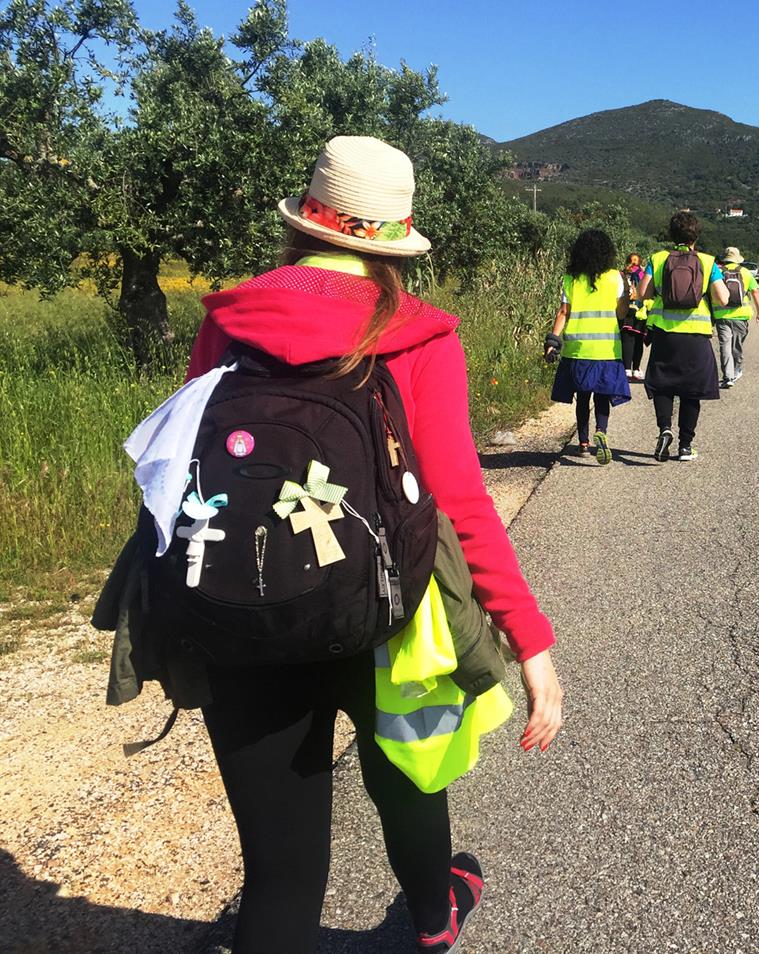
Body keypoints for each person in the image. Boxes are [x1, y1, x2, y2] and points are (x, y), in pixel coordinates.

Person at [157, 137, 563, 953]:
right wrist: (529, 636)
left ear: (306, 223)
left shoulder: (230, 318)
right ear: (392, 239)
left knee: (278, 874)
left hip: (245, 606)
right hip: (390, 613)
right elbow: (458, 501)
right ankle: (431, 917)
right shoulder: (414, 333)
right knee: (408, 777)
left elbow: (183, 473)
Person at [637, 210, 730, 462]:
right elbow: (723, 298)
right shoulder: (708, 262)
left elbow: (642, 293)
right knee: (692, 391)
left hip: (665, 336)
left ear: (671, 234)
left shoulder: (657, 259)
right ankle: (686, 446)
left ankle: (664, 428)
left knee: (662, 385)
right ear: (696, 236)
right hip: (696, 336)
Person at [544, 229, 631, 464]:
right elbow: (621, 313)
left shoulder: (571, 279)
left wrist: (552, 340)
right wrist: (626, 296)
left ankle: (583, 443)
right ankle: (601, 430)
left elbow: (564, 312)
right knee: (602, 396)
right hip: (607, 349)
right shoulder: (615, 277)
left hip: (578, 349)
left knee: (583, 397)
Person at [713, 247, 759, 388]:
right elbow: (755, 292)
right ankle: (736, 370)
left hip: (721, 315)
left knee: (725, 345)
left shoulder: (718, 272)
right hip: (741, 316)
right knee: (737, 346)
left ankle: (728, 376)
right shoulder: (745, 273)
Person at [620, 252, 648, 381]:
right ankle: (636, 369)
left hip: (626, 309)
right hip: (641, 311)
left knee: (627, 340)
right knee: (638, 341)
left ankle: (626, 369)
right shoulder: (643, 274)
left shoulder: (622, 273)